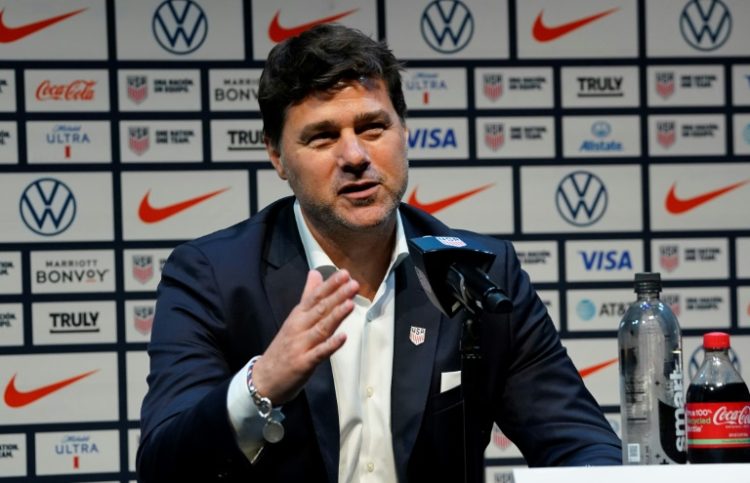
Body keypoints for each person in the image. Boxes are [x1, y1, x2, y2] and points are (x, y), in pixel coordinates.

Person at [136, 24, 621, 482]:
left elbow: (580, 445)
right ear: (277, 156)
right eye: (323, 136)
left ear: (404, 131)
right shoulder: (214, 277)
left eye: (372, 127)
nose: (354, 156)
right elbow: (163, 465)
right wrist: (260, 385)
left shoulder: (480, 275)